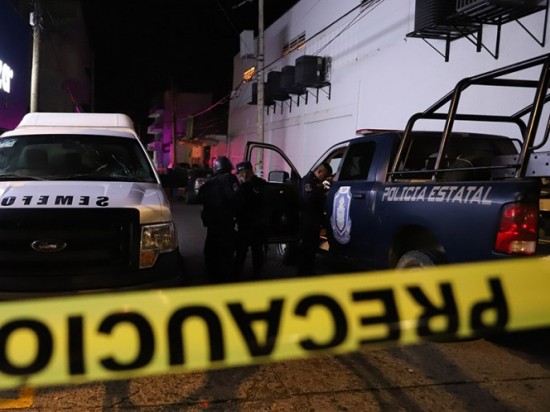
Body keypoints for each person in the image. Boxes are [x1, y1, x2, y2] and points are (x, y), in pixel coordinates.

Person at [198, 156, 240, 283]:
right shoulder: (229, 178)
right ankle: (226, 278)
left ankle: (212, 276)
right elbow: (236, 197)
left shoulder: (210, 182)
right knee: (226, 251)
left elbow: (200, 197)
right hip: (225, 223)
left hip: (212, 224)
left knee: (211, 250)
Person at [233, 161, 268, 280]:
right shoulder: (263, 184)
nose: (240, 176)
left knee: (241, 251)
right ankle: (257, 275)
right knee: (257, 250)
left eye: (240, 173)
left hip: (246, 225)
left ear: (245, 172)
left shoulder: (243, 187)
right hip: (259, 224)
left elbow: (238, 205)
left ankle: (236, 275)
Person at [297, 161, 333, 276]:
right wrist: (322, 194)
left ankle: (308, 271)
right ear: (319, 171)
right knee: (306, 247)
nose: (324, 178)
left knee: (312, 247)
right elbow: (309, 199)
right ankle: (303, 272)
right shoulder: (308, 181)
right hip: (308, 220)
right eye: (324, 176)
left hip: (314, 220)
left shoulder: (316, 183)